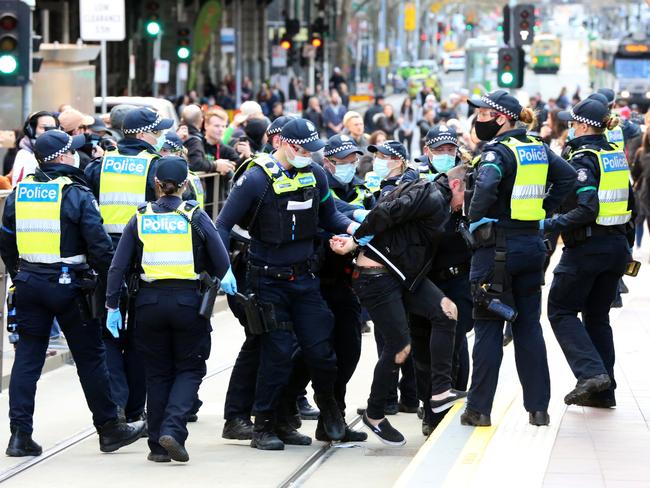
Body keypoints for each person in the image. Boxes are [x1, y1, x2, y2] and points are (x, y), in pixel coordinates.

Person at [216, 118, 360, 450]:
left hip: (305, 280)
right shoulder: (256, 178)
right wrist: (223, 269)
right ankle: (264, 426)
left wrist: (355, 228)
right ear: (286, 145)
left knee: (321, 352)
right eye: (304, 150)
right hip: (267, 280)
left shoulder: (316, 174)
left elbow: (331, 218)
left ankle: (331, 415)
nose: (309, 155)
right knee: (276, 353)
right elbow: (222, 225)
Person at [0, 130, 145, 457]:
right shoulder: (76, 193)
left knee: (27, 358)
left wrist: (19, 274)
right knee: (91, 358)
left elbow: (6, 242)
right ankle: (109, 429)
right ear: (64, 157)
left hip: (29, 285)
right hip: (70, 288)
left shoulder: (19, 193)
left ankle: (19, 436)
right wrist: (111, 287)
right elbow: (100, 247)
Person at [330, 164, 470, 446]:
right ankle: (375, 413)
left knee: (447, 311)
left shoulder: (439, 200)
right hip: (376, 276)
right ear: (456, 186)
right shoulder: (430, 195)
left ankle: (441, 392)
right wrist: (357, 241)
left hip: (401, 276)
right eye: (467, 196)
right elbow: (383, 212)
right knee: (400, 347)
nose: (466, 205)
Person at [105, 157, 231, 463]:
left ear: (155, 184)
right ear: (186, 185)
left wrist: (111, 305)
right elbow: (222, 263)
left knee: (157, 374)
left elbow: (118, 265)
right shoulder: (195, 216)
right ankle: (173, 430)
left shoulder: (141, 217)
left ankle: (157, 447)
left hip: (148, 305)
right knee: (189, 369)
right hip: (188, 304)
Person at [461, 90, 575, 427]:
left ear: (501, 118)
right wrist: (542, 213)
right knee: (528, 327)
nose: (477, 121)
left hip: (496, 253)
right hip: (531, 248)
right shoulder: (537, 148)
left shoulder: (497, 153)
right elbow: (566, 177)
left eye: (482, 115)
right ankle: (538, 410)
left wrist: (473, 219)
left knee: (488, 328)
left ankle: (478, 409)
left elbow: (485, 189)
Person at [85, 107, 175, 427]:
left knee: (107, 334)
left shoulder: (98, 165)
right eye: (158, 130)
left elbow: (87, 212)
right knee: (140, 334)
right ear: (143, 134)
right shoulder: (158, 167)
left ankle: (118, 406)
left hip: (104, 259)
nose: (161, 136)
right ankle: (136, 408)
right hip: (143, 260)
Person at [545, 99, 634, 409]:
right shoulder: (614, 155)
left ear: (582, 125)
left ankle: (591, 373)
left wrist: (551, 223)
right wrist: (625, 251)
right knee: (597, 318)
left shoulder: (582, 158)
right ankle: (603, 392)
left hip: (587, 247)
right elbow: (630, 203)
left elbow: (587, 208)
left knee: (560, 310)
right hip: (615, 248)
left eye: (573, 122)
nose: (571, 127)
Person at [403, 126, 473, 435]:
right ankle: (430, 411)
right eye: (438, 149)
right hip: (422, 278)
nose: (444, 155)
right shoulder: (414, 181)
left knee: (455, 346)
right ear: (427, 151)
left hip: (458, 277)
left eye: (449, 149)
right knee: (422, 349)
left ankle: (450, 409)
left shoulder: (469, 179)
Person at [11, 112, 59, 187]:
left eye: (53, 128)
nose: (49, 131)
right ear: (31, 130)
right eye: (43, 127)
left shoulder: (60, 152)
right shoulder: (25, 155)